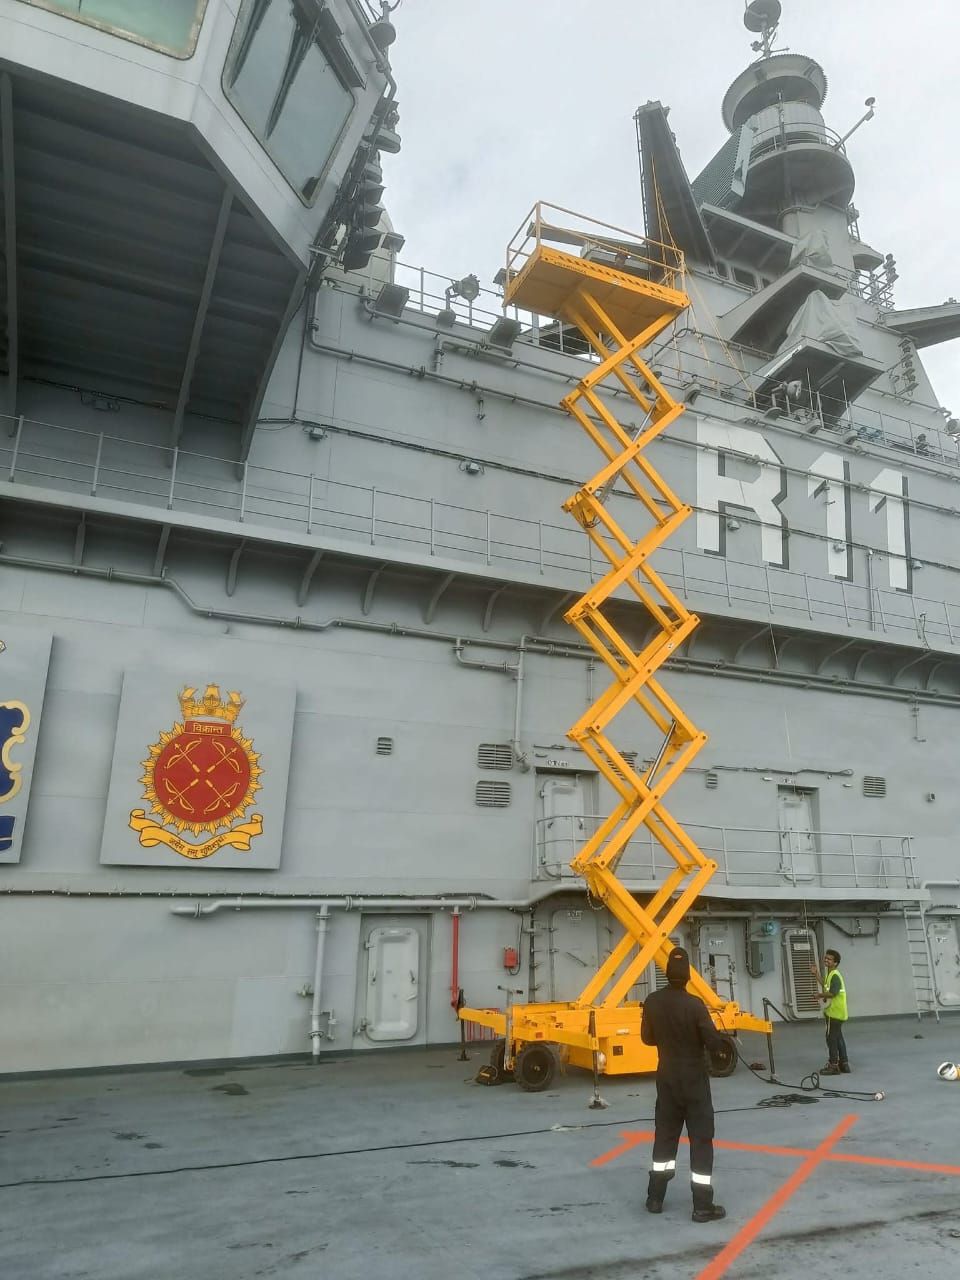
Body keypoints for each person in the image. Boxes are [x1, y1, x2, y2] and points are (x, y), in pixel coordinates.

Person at [640, 946, 728, 1222]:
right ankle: (702, 1206)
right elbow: (713, 1043)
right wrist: (721, 1044)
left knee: (664, 1137)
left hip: (667, 1079)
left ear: (667, 973)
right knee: (701, 1140)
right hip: (694, 1081)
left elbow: (647, 1038)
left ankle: (655, 1198)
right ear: (688, 975)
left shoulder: (652, 1002)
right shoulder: (695, 1005)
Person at [811, 948, 850, 1075]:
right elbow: (826, 984)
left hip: (834, 1013)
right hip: (839, 1012)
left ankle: (833, 1066)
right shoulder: (831, 974)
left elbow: (833, 993)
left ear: (836, 962)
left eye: (829, 959)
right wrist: (816, 974)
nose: (826, 960)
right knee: (838, 1037)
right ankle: (844, 1064)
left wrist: (819, 995)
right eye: (826, 958)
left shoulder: (835, 975)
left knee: (831, 1038)